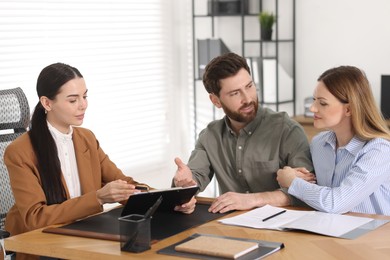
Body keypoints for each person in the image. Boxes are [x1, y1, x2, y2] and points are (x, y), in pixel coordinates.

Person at [4, 63, 195, 259]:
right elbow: (35, 219)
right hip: (42, 246)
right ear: (47, 103)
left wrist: (174, 199)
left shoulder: (86, 139)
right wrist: (98, 198)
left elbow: (125, 186)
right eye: (73, 100)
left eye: (85, 96)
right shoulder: (20, 151)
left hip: (83, 237)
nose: (83, 105)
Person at [173, 52, 314, 213]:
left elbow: (307, 193)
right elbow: (194, 178)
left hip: (283, 228)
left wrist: (252, 200)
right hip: (231, 227)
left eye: (249, 86)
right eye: (235, 93)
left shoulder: (287, 131)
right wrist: (184, 186)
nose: (247, 98)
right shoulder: (209, 136)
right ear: (216, 100)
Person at [277, 65, 390, 215]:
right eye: (314, 100)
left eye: (322, 103)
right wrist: (301, 177)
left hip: (374, 235)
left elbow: (335, 203)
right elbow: (317, 189)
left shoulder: (378, 151)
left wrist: (292, 181)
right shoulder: (318, 143)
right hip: (332, 232)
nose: (312, 108)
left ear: (349, 109)